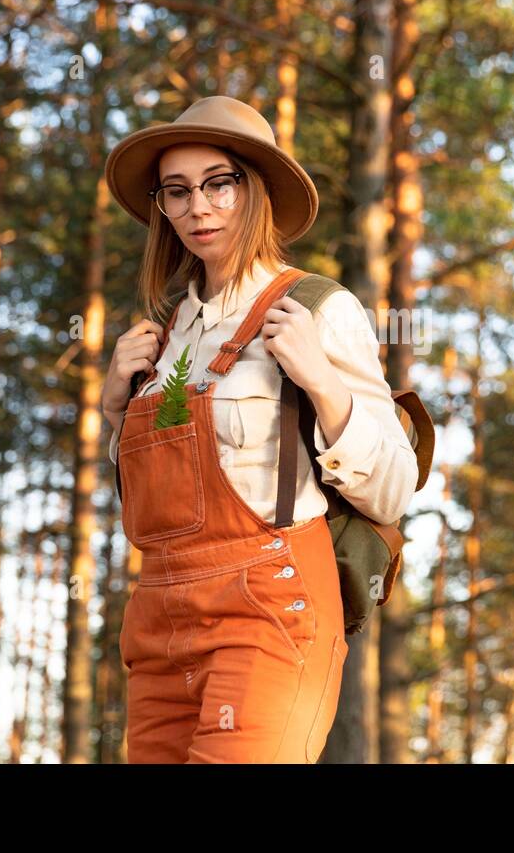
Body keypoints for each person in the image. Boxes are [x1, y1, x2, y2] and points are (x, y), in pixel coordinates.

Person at [100, 95, 418, 763]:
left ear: (258, 190)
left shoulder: (317, 308)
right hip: (157, 621)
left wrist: (324, 386)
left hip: (268, 607)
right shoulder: (163, 335)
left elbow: (392, 490)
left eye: (219, 183)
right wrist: (113, 414)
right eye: (177, 191)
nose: (199, 207)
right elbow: (160, 506)